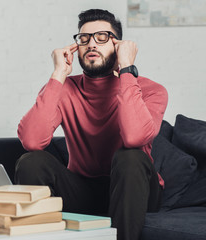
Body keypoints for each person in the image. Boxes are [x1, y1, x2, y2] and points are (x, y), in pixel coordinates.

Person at [15, 9, 168, 240]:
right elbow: (32, 141)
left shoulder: (151, 91)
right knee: (31, 161)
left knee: (130, 156)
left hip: (136, 187)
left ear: (119, 45)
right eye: (84, 38)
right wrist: (58, 74)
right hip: (84, 189)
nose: (91, 44)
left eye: (102, 37)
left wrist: (126, 68)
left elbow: (134, 137)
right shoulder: (64, 88)